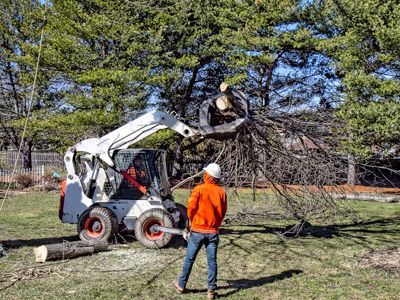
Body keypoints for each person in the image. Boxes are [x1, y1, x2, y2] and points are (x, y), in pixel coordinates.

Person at [173, 163, 227, 299]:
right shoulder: (221, 192)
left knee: (190, 259)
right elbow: (222, 213)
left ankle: (181, 285)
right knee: (212, 261)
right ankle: (211, 291)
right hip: (213, 232)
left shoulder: (199, 190)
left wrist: (191, 222)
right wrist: (216, 225)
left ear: (208, 175)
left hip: (197, 230)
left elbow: (190, 209)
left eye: (205, 173)